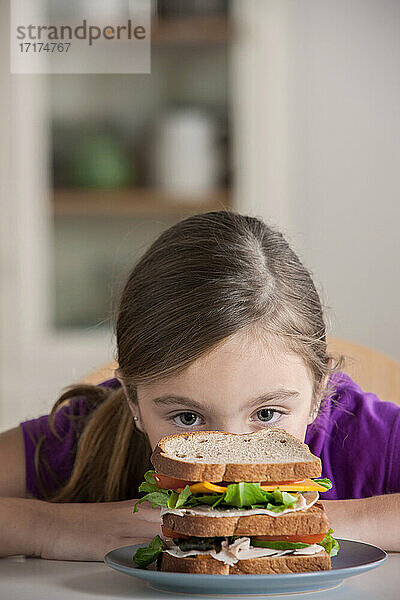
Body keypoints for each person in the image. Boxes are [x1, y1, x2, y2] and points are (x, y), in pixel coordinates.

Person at [0, 211, 399, 561]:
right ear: (133, 402)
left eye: (266, 414)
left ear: (317, 392)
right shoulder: (89, 437)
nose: (230, 467)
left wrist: (312, 522)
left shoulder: (365, 433)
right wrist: (51, 527)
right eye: (187, 417)